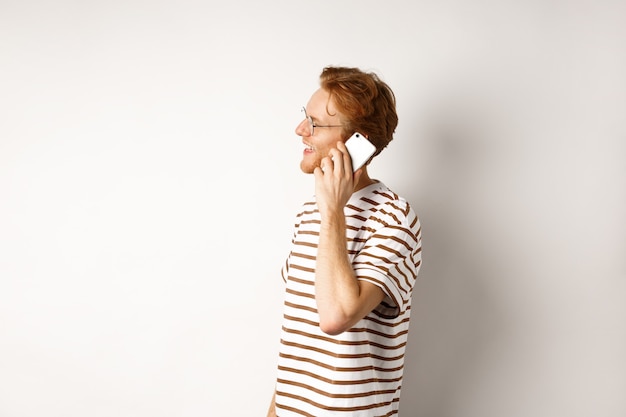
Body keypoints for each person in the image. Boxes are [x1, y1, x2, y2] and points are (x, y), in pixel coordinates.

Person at [267, 66, 422, 417]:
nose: (300, 130)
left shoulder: (394, 217)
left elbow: (335, 317)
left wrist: (334, 212)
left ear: (359, 142)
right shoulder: (312, 212)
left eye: (316, 124)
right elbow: (304, 334)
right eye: (305, 117)